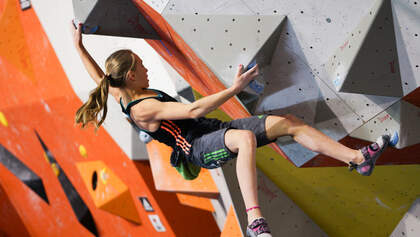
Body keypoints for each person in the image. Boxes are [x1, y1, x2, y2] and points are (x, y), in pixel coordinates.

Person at [71, 22, 397, 237]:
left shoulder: (122, 89)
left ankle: (357, 159)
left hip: (213, 129)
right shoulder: (142, 107)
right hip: (197, 147)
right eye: (140, 66)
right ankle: (255, 221)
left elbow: (98, 75)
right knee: (242, 139)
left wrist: (79, 45)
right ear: (130, 77)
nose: (145, 69)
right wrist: (235, 87)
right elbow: (194, 108)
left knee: (289, 124)